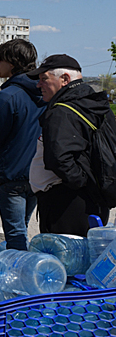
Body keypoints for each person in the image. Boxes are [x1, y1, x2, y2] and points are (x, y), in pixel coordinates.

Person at [28, 54, 112, 236]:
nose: (38, 85)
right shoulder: (96, 104)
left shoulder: (62, 111)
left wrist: (80, 183)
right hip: (93, 200)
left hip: (66, 205)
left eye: (44, 79)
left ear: (65, 79)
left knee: (65, 259)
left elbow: (59, 158)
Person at [0, 39, 44, 250]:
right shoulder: (43, 93)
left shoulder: (7, 96)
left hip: (11, 173)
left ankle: (21, 274)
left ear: (12, 63)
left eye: (0, 60)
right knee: (22, 227)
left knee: (14, 234)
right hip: (35, 171)